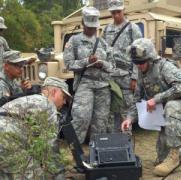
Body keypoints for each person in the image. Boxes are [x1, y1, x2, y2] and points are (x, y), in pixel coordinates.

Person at [121, 38, 181, 176]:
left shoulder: (164, 67)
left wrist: (157, 99)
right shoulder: (140, 73)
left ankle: (174, 157)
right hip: (166, 114)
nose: (139, 66)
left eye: (141, 62)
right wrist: (129, 118)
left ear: (150, 58)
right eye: (136, 63)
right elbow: (137, 99)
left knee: (171, 105)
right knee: (161, 159)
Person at [0, 76, 71, 179]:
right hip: (7, 141)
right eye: (64, 97)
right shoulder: (48, 105)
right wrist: (59, 173)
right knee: (34, 174)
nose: (64, 102)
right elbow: (50, 146)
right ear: (55, 91)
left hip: (6, 141)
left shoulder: (27, 100)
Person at [63, 7, 114, 144]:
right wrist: (86, 62)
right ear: (83, 23)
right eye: (89, 26)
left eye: (94, 27)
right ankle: (76, 151)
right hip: (84, 85)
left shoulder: (103, 44)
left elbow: (112, 67)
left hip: (103, 87)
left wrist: (102, 64)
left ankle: (97, 154)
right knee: (81, 119)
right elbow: (68, 64)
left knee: (100, 122)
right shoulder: (74, 41)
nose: (91, 30)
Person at [102, 0, 142, 132]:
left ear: (123, 10)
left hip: (126, 77)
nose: (116, 15)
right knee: (111, 113)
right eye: (113, 12)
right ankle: (113, 145)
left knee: (126, 112)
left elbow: (139, 54)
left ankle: (126, 145)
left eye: (118, 12)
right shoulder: (106, 30)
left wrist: (135, 77)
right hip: (110, 77)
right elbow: (102, 52)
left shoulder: (132, 29)